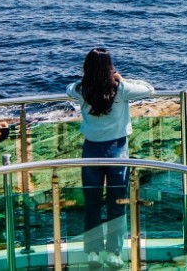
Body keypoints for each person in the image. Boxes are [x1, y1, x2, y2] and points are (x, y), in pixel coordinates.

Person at [66, 48, 155, 270]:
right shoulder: (121, 88)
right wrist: (122, 78)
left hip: (91, 151)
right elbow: (149, 89)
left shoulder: (81, 88)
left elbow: (67, 89)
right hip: (117, 150)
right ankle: (114, 252)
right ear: (110, 67)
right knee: (118, 203)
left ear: (87, 67)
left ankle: (93, 252)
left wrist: (85, 78)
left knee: (93, 203)